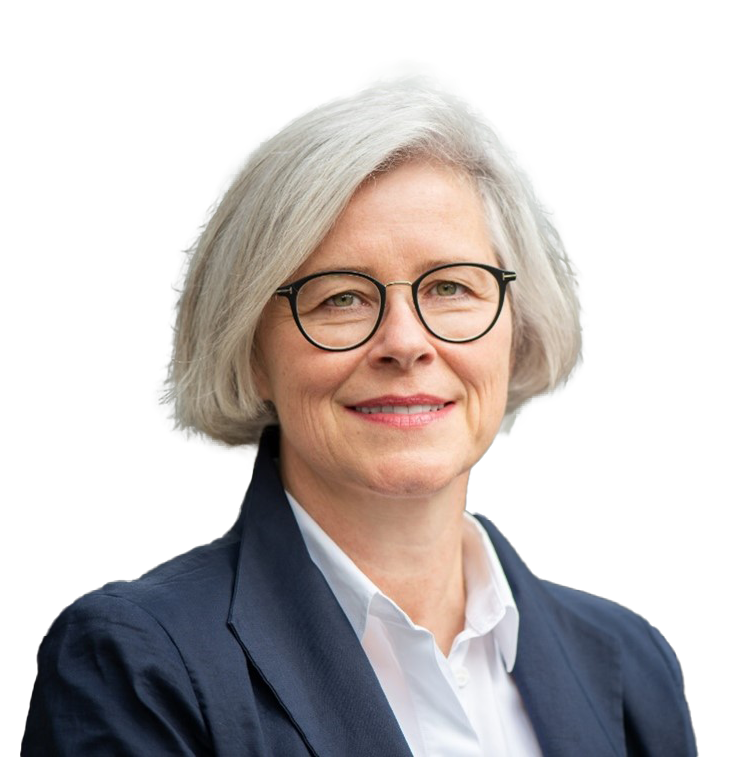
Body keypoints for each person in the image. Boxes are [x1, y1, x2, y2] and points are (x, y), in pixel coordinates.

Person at [22, 76, 696, 756]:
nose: (405, 342)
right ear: (252, 354)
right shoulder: (136, 669)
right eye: (341, 298)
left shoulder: (630, 667)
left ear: (514, 332)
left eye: (451, 287)